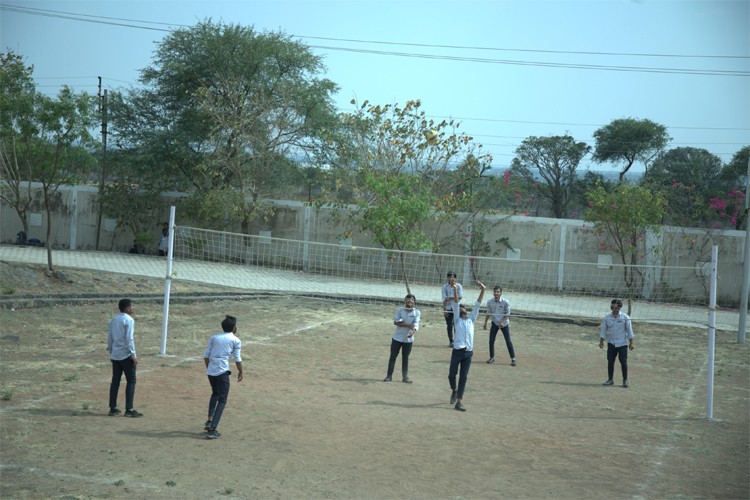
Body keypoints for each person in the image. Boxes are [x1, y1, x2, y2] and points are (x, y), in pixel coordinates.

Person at [203, 315, 243, 440]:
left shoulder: (214, 338)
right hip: (222, 371)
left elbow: (206, 355)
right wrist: (241, 371)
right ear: (234, 327)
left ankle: (209, 420)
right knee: (223, 399)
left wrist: (209, 368)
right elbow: (237, 359)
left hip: (211, 371)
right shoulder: (236, 340)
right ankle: (212, 429)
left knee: (215, 393)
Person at [448, 281, 486, 412]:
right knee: (451, 375)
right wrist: (454, 290)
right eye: (461, 308)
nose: (463, 309)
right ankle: (454, 390)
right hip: (457, 351)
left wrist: (483, 290)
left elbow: (478, 304)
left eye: (464, 308)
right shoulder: (457, 319)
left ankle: (459, 401)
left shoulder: (471, 320)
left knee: (463, 377)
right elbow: (457, 303)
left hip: (468, 353)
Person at [107, 298, 142, 417]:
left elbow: (110, 337)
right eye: (132, 306)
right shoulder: (129, 320)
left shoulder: (113, 320)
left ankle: (113, 407)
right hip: (126, 355)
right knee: (131, 381)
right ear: (127, 308)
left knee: (115, 381)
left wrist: (111, 351)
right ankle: (129, 409)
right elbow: (129, 339)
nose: (133, 308)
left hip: (116, 355)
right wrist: (133, 354)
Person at [383, 294, 421, 383]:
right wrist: (407, 325)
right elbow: (396, 322)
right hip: (397, 338)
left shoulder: (417, 312)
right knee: (393, 356)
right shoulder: (400, 310)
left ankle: (405, 377)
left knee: (405, 358)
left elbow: (416, 324)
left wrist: (412, 332)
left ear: (414, 302)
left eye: (412, 300)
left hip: (408, 339)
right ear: (405, 301)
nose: (410, 302)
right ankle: (389, 376)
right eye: (408, 300)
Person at [599, 298, 634, 388]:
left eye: (616, 308)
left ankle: (625, 380)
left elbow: (629, 331)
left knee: (623, 361)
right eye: (613, 307)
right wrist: (601, 341)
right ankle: (610, 379)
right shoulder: (607, 317)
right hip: (611, 343)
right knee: (610, 361)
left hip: (622, 343)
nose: (614, 309)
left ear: (619, 308)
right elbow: (603, 329)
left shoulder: (625, 318)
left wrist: (631, 342)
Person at [483, 286, 516, 366]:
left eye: (497, 292)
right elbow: (488, 313)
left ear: (500, 293)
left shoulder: (505, 302)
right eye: (495, 292)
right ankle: (491, 357)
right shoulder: (490, 302)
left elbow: (507, 314)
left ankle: (513, 359)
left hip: (504, 324)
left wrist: (502, 322)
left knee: (508, 341)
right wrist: (485, 323)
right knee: (491, 341)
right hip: (494, 323)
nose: (496, 293)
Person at [441, 272, 463, 347]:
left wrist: (450, 297)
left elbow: (460, 297)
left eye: (452, 277)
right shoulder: (444, 287)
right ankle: (451, 341)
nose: (451, 279)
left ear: (455, 279)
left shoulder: (459, 286)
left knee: (457, 324)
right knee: (449, 325)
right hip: (448, 308)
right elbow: (444, 299)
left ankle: (457, 340)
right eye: (449, 277)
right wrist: (444, 309)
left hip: (456, 308)